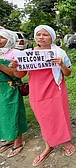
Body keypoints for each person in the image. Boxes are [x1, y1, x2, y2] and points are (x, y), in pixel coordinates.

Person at [11, 25, 75, 166]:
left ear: (51, 37)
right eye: (38, 34)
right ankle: (49, 145)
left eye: (45, 34)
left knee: (60, 115)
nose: (41, 37)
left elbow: (68, 73)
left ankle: (65, 142)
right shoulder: (28, 54)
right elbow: (21, 74)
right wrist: (15, 68)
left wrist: (62, 65)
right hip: (37, 91)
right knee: (43, 118)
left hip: (56, 89)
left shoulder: (59, 52)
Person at [0, 29, 28, 157]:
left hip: (10, 86)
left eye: (1, 38)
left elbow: (18, 73)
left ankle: (18, 141)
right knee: (3, 114)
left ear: (9, 39)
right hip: (0, 87)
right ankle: (9, 138)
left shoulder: (16, 53)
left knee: (14, 112)